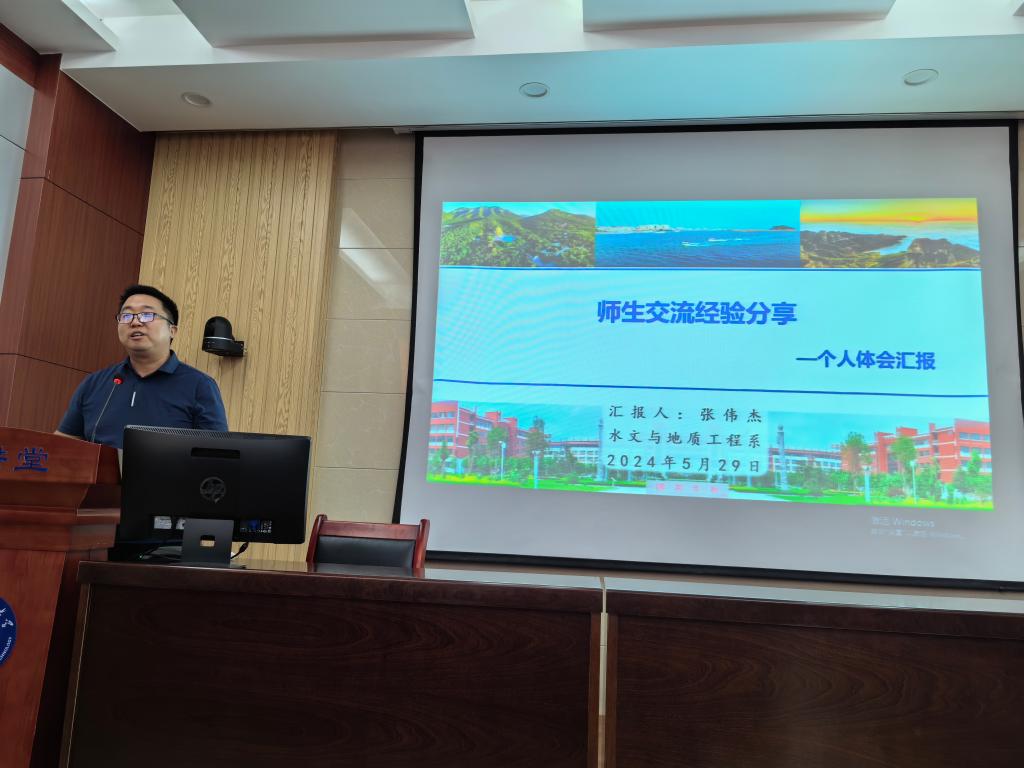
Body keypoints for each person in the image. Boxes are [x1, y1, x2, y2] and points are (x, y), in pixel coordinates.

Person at [56, 285, 228, 448]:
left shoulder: (199, 385)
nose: (135, 322)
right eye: (126, 316)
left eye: (146, 315)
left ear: (172, 330)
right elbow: (62, 443)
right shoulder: (94, 383)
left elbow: (216, 454)